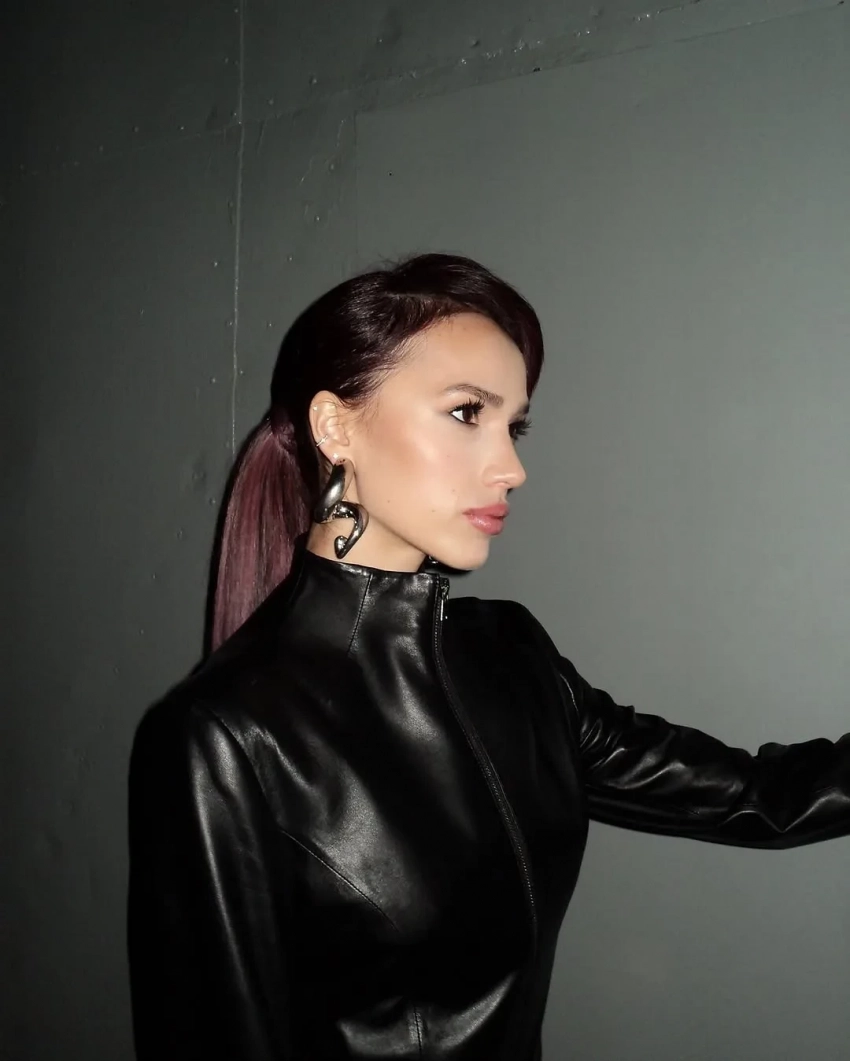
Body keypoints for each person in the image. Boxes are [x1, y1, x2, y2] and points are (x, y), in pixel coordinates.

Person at [127, 252, 850, 1061]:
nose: (511, 467)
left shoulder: (511, 656)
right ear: (336, 427)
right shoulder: (225, 734)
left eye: (515, 425)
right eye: (467, 412)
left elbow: (755, 796)